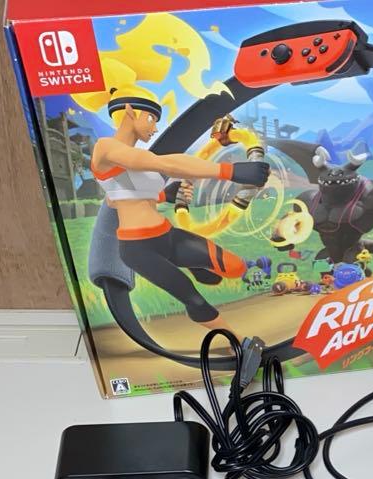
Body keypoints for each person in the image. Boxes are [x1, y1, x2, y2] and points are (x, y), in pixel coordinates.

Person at [91, 86, 270, 331]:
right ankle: (236, 340)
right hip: (138, 248)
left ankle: (192, 264)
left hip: (167, 235)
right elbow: (164, 163)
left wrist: (164, 194)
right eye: (151, 118)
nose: (155, 128)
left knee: (236, 268)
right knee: (194, 299)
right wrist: (230, 171)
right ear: (130, 111)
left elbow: (119, 197)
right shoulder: (105, 148)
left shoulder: (131, 158)